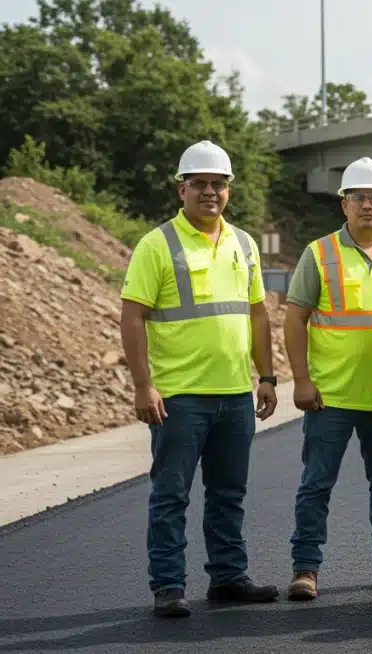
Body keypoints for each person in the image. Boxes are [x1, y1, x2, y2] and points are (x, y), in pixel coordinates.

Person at [120, 140, 279, 618]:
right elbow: (132, 317)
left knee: (229, 494)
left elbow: (257, 315)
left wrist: (268, 376)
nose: (210, 192)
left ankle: (228, 577)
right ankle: (168, 585)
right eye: (201, 184)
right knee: (171, 494)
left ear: (228, 190)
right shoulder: (157, 244)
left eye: (219, 184)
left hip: (233, 393)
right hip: (179, 397)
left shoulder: (244, 243)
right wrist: (143, 385)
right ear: (181, 189)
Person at [282, 157, 372, 601]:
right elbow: (294, 319)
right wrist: (301, 380)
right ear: (343, 204)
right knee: (316, 485)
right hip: (331, 395)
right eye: (359, 197)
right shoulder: (319, 253)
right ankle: (306, 568)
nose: (368, 204)